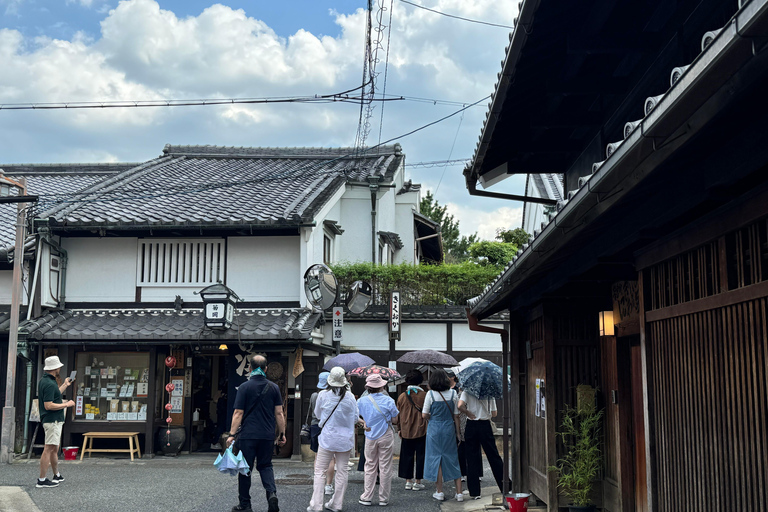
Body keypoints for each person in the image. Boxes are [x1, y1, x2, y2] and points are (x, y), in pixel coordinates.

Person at [227, 355, 285, 512]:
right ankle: (271, 494)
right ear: (266, 369)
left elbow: (238, 412)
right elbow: (279, 413)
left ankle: (245, 504)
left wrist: (232, 434)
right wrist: (281, 434)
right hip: (267, 435)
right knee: (266, 466)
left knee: (245, 469)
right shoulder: (273, 387)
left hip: (248, 435)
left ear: (250, 369)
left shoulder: (245, 387)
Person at [308, 367, 363, 512]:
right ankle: (336, 504)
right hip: (345, 439)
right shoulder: (350, 397)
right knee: (342, 471)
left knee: (319, 471)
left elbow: (318, 415)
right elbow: (355, 418)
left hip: (327, 438)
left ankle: (317, 505)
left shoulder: (323, 395)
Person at [357, 374, 400, 506]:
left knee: (370, 465)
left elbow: (354, 416)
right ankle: (383, 498)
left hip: (370, 434)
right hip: (386, 434)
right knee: (385, 466)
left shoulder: (361, 401)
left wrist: (363, 423)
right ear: (382, 386)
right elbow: (395, 420)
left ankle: (367, 496)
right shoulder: (389, 400)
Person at [422, 368, 464, 502]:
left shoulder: (430, 394)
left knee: (436, 458)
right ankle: (459, 493)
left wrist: (431, 416)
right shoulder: (453, 393)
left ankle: (439, 492)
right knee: (452, 457)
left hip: (434, 428)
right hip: (448, 428)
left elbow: (424, 414)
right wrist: (458, 433)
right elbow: (457, 415)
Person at [458, 389, 505, 499]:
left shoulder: (467, 390)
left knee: (471, 458)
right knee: (493, 456)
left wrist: (468, 412)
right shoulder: (489, 392)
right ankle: (505, 486)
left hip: (471, 424)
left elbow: (460, 405)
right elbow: (494, 413)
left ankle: (475, 492)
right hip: (485, 425)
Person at [36, 356, 75, 488]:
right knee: (49, 448)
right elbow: (49, 405)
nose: (60, 368)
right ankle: (42, 479)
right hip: (52, 420)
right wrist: (67, 404)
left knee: (54, 448)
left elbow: (55, 395)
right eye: (58, 366)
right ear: (55, 368)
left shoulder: (45, 381)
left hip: (52, 419)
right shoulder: (49, 383)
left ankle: (56, 474)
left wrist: (65, 385)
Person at [396, 369, 427, 491]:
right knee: (421, 455)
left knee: (406, 455)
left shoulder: (402, 396)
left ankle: (408, 481)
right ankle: (418, 481)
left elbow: (398, 414)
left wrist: (399, 428)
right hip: (421, 429)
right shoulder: (424, 395)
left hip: (405, 429)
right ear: (420, 381)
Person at [309, 372, 336, 496]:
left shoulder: (314, 395)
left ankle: (318, 484)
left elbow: (312, 411)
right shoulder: (332, 395)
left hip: (315, 426)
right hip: (328, 426)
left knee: (317, 456)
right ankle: (328, 485)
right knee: (330, 458)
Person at [446, 369, 468, 483]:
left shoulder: (459, 392)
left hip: (462, 421)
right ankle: (471, 473)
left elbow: (459, 408)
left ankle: (463, 473)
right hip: (463, 421)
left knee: (462, 449)